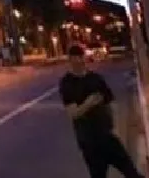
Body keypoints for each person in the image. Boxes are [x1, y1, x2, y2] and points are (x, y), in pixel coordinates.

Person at [60, 44, 145, 178]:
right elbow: (73, 113)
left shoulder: (95, 78)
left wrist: (115, 126)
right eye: (75, 58)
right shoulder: (67, 83)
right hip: (89, 142)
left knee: (131, 172)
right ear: (70, 60)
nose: (79, 61)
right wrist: (90, 102)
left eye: (81, 57)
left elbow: (110, 101)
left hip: (107, 136)